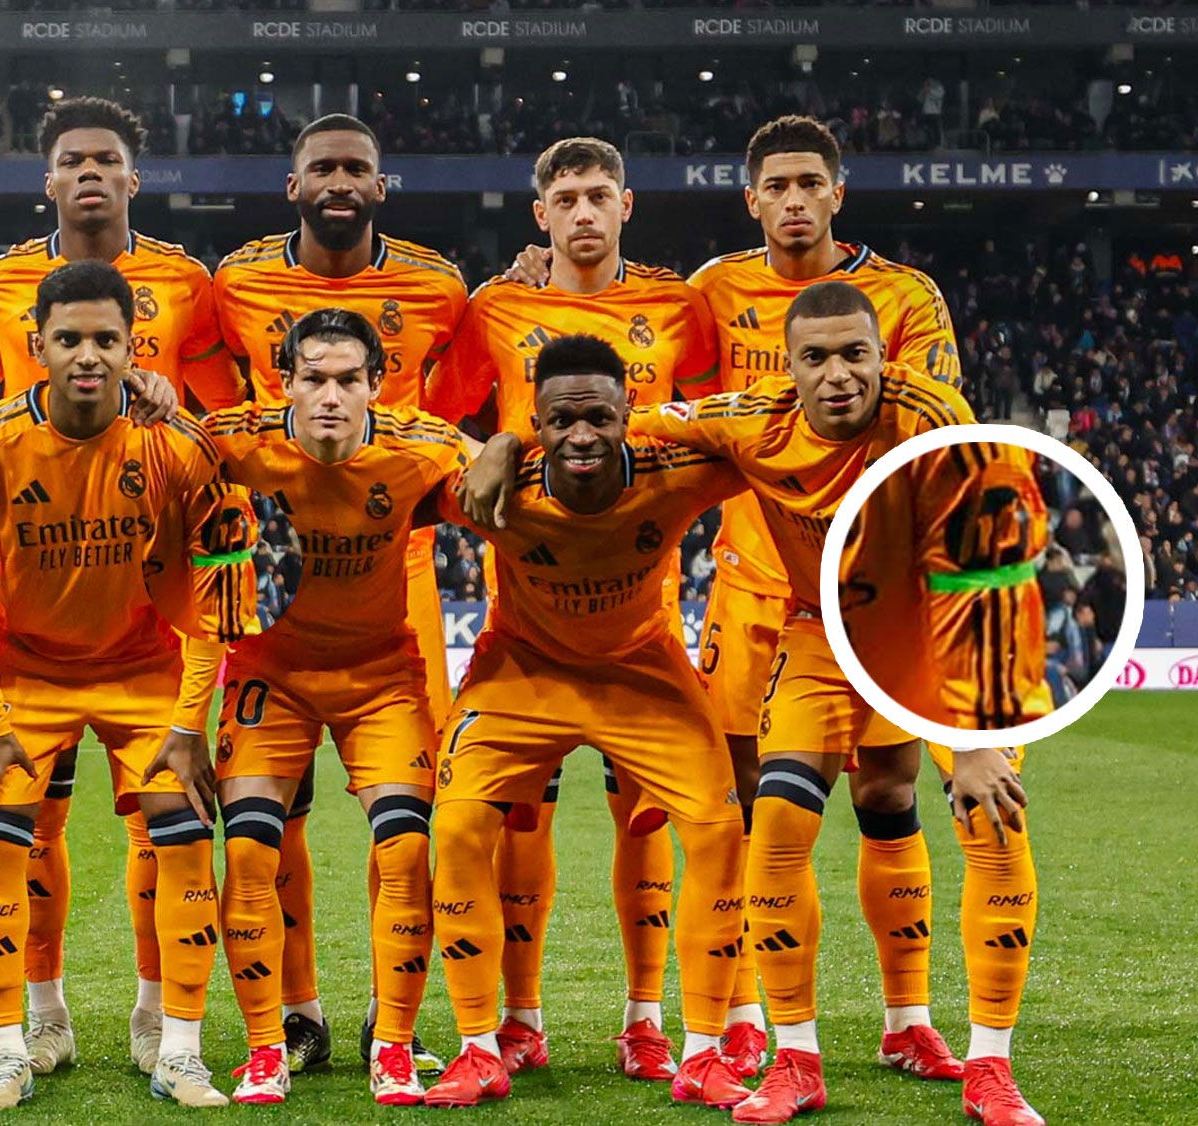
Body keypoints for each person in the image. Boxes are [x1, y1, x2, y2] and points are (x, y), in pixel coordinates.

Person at [627, 280, 974, 1123]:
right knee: (776, 817)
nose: (838, 374)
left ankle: (908, 1023)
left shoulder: (933, 417)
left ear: (883, 357)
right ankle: (797, 1056)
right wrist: (508, 444)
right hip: (815, 630)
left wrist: (978, 730)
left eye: (855, 354)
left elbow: (977, 566)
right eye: (815, 358)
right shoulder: (752, 420)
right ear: (787, 369)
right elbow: (640, 423)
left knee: (891, 797)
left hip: (912, 628)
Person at [427, 135, 723, 1081]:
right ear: (541, 214)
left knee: (652, 822)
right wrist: (495, 446)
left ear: (627, 207)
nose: (585, 211)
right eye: (568, 196)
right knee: (518, 819)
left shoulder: (679, 305)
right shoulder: (494, 306)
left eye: (602, 194)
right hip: (529, 601)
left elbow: (726, 418)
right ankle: (515, 1020)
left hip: (647, 610)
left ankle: (649, 1018)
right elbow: (442, 418)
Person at [0, 260, 258, 1109]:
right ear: (36, 344)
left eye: (106, 339)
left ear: (132, 347)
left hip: (146, 671)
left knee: (184, 837)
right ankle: (11, 1046)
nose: (88, 354)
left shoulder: (177, 443)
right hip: (28, 673)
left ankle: (180, 1050)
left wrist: (192, 721)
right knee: (1, 843)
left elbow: (214, 590)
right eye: (69, 338)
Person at [0, 96, 236, 1074]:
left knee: (156, 821)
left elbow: (223, 412)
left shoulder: (186, 283)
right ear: (49, 179)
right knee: (28, 828)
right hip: (28, 598)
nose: (89, 173)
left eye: (107, 159)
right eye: (71, 159)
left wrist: (181, 401)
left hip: (150, 611)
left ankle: (157, 1011)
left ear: (133, 177)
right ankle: (41, 1010)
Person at [211, 112, 467, 1074]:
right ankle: (272, 1043)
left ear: (376, 386)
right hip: (267, 672)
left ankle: (394, 1044)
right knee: (248, 850)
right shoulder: (232, 439)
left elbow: (494, 475)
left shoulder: (420, 447)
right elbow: (155, 464)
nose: (328, 396)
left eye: (347, 380)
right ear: (284, 380)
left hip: (380, 674)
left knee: (405, 846)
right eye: (311, 378)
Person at [838, 437, 1053, 1126]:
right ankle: (905, 1025)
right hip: (866, 632)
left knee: (994, 814)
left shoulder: (970, 458)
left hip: (974, 649)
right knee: (881, 794)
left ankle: (991, 1065)